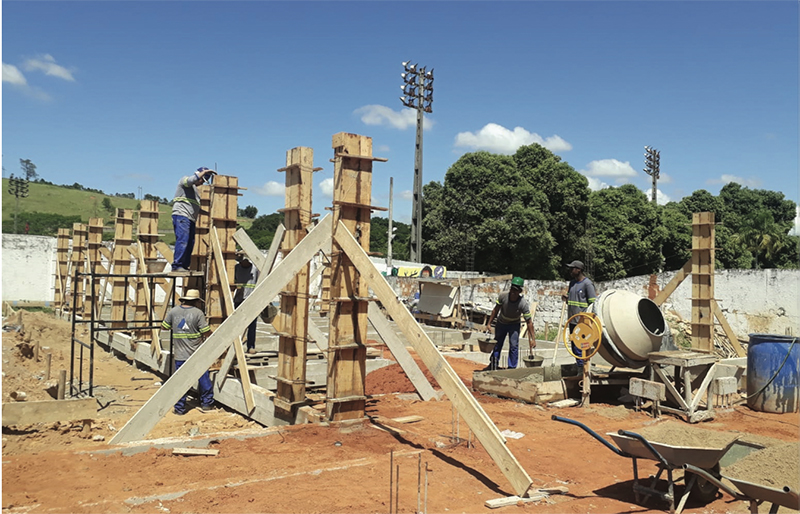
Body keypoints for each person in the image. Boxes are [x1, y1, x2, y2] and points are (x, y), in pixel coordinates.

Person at [161, 288, 214, 415]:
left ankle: (179, 408)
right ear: (196, 301)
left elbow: (164, 327)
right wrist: (214, 335)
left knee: (181, 381)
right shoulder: (198, 313)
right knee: (203, 378)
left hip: (180, 354)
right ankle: (206, 403)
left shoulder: (174, 311)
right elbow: (205, 331)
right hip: (196, 353)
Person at [170, 167, 216, 273]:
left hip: (190, 219)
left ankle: (184, 266)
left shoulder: (195, 192)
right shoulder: (184, 181)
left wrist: (208, 213)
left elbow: (195, 207)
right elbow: (191, 180)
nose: (202, 182)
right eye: (202, 179)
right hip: (182, 216)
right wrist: (204, 172)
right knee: (183, 240)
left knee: (190, 242)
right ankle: (177, 265)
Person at [484, 276, 535, 370]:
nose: (513, 292)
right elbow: (496, 310)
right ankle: (493, 364)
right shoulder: (503, 296)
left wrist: (533, 339)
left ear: (520, 292)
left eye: (516, 290)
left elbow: (529, 322)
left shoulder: (522, 303)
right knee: (497, 343)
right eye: (512, 289)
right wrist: (489, 323)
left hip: (514, 325)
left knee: (514, 346)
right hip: (501, 323)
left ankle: (511, 368)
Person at [562, 260, 597, 370]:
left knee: (582, 346)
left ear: (579, 270)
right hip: (572, 320)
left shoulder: (587, 284)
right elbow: (572, 300)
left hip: (582, 323)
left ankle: (583, 368)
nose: (570, 271)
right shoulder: (572, 283)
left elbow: (593, 303)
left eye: (572, 268)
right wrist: (566, 299)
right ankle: (579, 365)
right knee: (574, 345)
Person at [234, 251, 259, 354]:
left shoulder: (255, 269)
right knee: (236, 325)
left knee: (252, 325)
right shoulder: (236, 268)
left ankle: (251, 346)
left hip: (251, 300)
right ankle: (235, 347)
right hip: (239, 300)